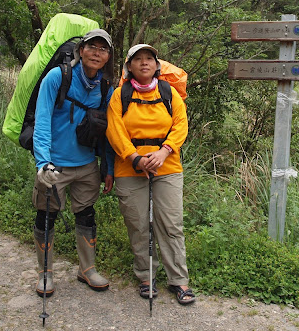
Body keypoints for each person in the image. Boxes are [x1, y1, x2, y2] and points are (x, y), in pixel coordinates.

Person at [106, 44, 196, 305]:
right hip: (129, 168)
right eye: (138, 59)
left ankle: (178, 280)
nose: (144, 63)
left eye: (149, 59)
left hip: (167, 168)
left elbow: (181, 125)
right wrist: (135, 159)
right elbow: (115, 131)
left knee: (170, 224)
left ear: (157, 65)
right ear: (129, 67)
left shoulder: (169, 93)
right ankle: (146, 276)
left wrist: (164, 151)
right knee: (138, 224)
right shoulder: (119, 95)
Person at [32, 29, 114, 297]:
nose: (97, 52)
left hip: (87, 165)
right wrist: (43, 162)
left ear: (108, 57)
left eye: (103, 49)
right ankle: (45, 274)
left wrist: (107, 168)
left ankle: (87, 269)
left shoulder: (105, 86)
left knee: (87, 216)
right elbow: (42, 120)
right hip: (55, 165)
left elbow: (110, 132)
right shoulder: (58, 77)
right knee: (47, 216)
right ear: (81, 50)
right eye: (92, 47)